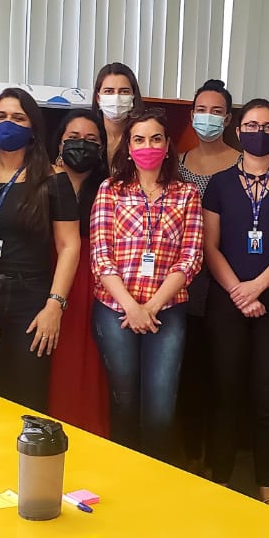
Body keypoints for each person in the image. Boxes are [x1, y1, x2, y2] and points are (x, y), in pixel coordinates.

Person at [203, 99, 269, 509]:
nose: (259, 132)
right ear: (238, 129)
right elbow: (210, 246)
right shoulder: (220, 184)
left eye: (268, 126)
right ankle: (221, 480)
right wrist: (239, 292)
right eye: (251, 125)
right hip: (226, 299)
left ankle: (266, 485)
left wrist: (258, 287)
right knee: (225, 392)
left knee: (268, 396)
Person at [90, 106, 203, 460]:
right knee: (123, 399)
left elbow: (191, 258)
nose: (147, 145)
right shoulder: (110, 190)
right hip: (115, 310)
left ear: (168, 145)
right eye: (139, 139)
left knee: (160, 404)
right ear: (128, 146)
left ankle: (156, 480)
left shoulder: (186, 194)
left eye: (156, 138)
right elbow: (100, 255)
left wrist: (150, 308)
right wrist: (131, 307)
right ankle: (124, 475)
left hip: (165, 311)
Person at [0, 89, 81, 412]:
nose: (9, 124)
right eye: (1, 117)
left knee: (27, 397)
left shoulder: (53, 179)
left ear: (33, 127)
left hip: (31, 300)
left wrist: (55, 306)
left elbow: (69, 245)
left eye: (19, 118)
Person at [175, 78, 241, 474]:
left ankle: (222, 457)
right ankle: (188, 448)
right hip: (182, 280)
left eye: (217, 111)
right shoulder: (178, 163)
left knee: (223, 369)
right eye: (202, 109)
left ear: (229, 118)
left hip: (227, 278)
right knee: (189, 366)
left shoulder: (241, 163)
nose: (208, 118)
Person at [47, 109, 111, 435]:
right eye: (73, 138)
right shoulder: (41, 179)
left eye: (90, 140)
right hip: (48, 276)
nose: (81, 145)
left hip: (95, 280)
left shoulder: (109, 188)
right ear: (59, 141)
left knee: (89, 360)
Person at [93, 61, 144, 173]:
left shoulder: (143, 138)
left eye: (124, 91)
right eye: (109, 91)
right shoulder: (89, 136)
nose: (116, 98)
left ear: (133, 96)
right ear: (98, 98)